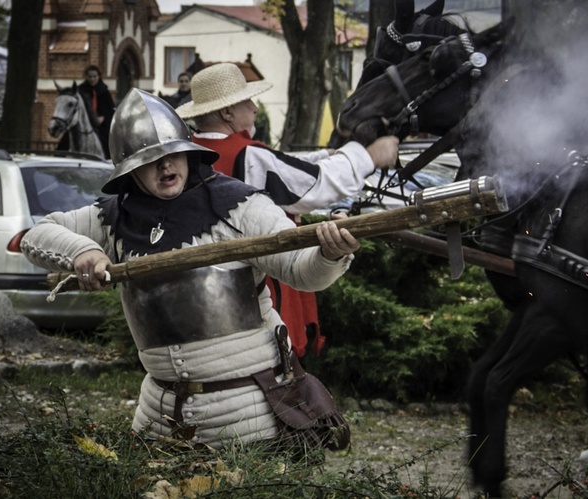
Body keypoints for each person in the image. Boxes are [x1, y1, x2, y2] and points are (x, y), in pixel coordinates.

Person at [20, 88, 357, 450]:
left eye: (173, 154)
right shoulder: (113, 217)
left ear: (188, 152)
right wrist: (82, 251)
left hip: (250, 416)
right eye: (150, 160)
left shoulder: (240, 205)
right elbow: (36, 236)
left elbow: (301, 271)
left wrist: (330, 254)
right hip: (159, 417)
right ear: (129, 171)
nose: (166, 166)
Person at [176, 62, 399, 358]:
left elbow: (279, 165)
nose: (255, 108)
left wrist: (327, 154)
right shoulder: (248, 154)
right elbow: (314, 186)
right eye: (247, 101)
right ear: (226, 113)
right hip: (257, 283)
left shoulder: (188, 153)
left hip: (203, 288)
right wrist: (367, 156)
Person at [78, 65, 116, 159]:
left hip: (101, 124)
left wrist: (103, 118)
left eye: (94, 77)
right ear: (86, 77)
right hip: (84, 121)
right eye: (90, 77)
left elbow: (110, 109)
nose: (92, 79)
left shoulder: (104, 91)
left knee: (107, 141)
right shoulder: (81, 90)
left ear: (99, 77)